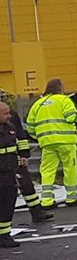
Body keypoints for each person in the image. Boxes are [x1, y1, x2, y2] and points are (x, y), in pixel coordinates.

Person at [26, 79, 77, 209]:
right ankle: (71, 197)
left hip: (47, 142)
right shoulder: (63, 100)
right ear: (60, 88)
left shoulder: (38, 104)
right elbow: (71, 118)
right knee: (69, 167)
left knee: (47, 170)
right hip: (66, 141)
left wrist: (40, 137)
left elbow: (30, 126)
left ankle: (47, 201)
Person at [0, 101, 23, 248]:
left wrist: (23, 156)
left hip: (9, 173)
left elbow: (17, 144)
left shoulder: (10, 128)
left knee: (8, 205)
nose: (9, 116)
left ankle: (4, 235)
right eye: (5, 113)